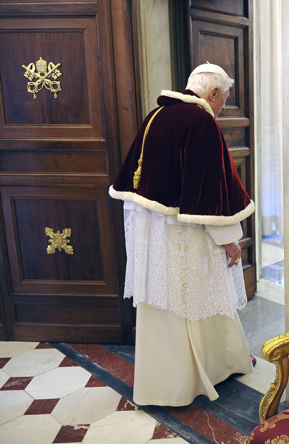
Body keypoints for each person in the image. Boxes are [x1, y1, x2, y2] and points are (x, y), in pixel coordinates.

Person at [109, 62, 255, 406]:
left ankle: (168, 379)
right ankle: (203, 373)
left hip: (153, 231)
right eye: (224, 99)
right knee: (195, 296)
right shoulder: (200, 121)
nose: (221, 107)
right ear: (214, 93)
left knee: (164, 300)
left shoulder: (156, 115)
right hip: (183, 232)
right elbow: (210, 191)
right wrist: (229, 240)